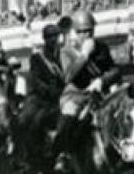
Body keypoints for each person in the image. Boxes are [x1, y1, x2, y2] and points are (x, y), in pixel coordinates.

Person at [47, 10, 123, 163]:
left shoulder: (102, 48)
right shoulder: (66, 52)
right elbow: (68, 76)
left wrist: (102, 80)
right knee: (70, 115)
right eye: (82, 32)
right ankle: (62, 153)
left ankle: (126, 152)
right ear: (76, 32)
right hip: (76, 95)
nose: (87, 35)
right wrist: (84, 56)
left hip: (100, 94)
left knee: (125, 112)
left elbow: (115, 70)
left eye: (90, 31)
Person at [19, 20, 69, 164]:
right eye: (50, 37)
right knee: (26, 120)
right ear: (45, 39)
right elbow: (35, 79)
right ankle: (23, 153)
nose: (53, 39)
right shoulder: (37, 58)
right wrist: (49, 91)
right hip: (40, 98)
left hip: (60, 97)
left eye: (55, 36)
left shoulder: (62, 56)